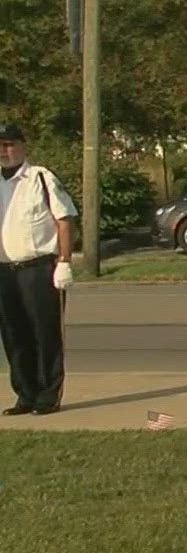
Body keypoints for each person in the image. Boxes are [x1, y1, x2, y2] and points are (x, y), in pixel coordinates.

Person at [0, 124, 77, 415]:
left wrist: (65, 262)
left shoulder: (40, 178)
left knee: (45, 333)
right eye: (0, 145)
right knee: (14, 334)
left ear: (22, 146)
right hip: (5, 270)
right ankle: (25, 394)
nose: (4, 151)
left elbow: (65, 219)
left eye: (9, 144)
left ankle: (48, 394)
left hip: (39, 268)